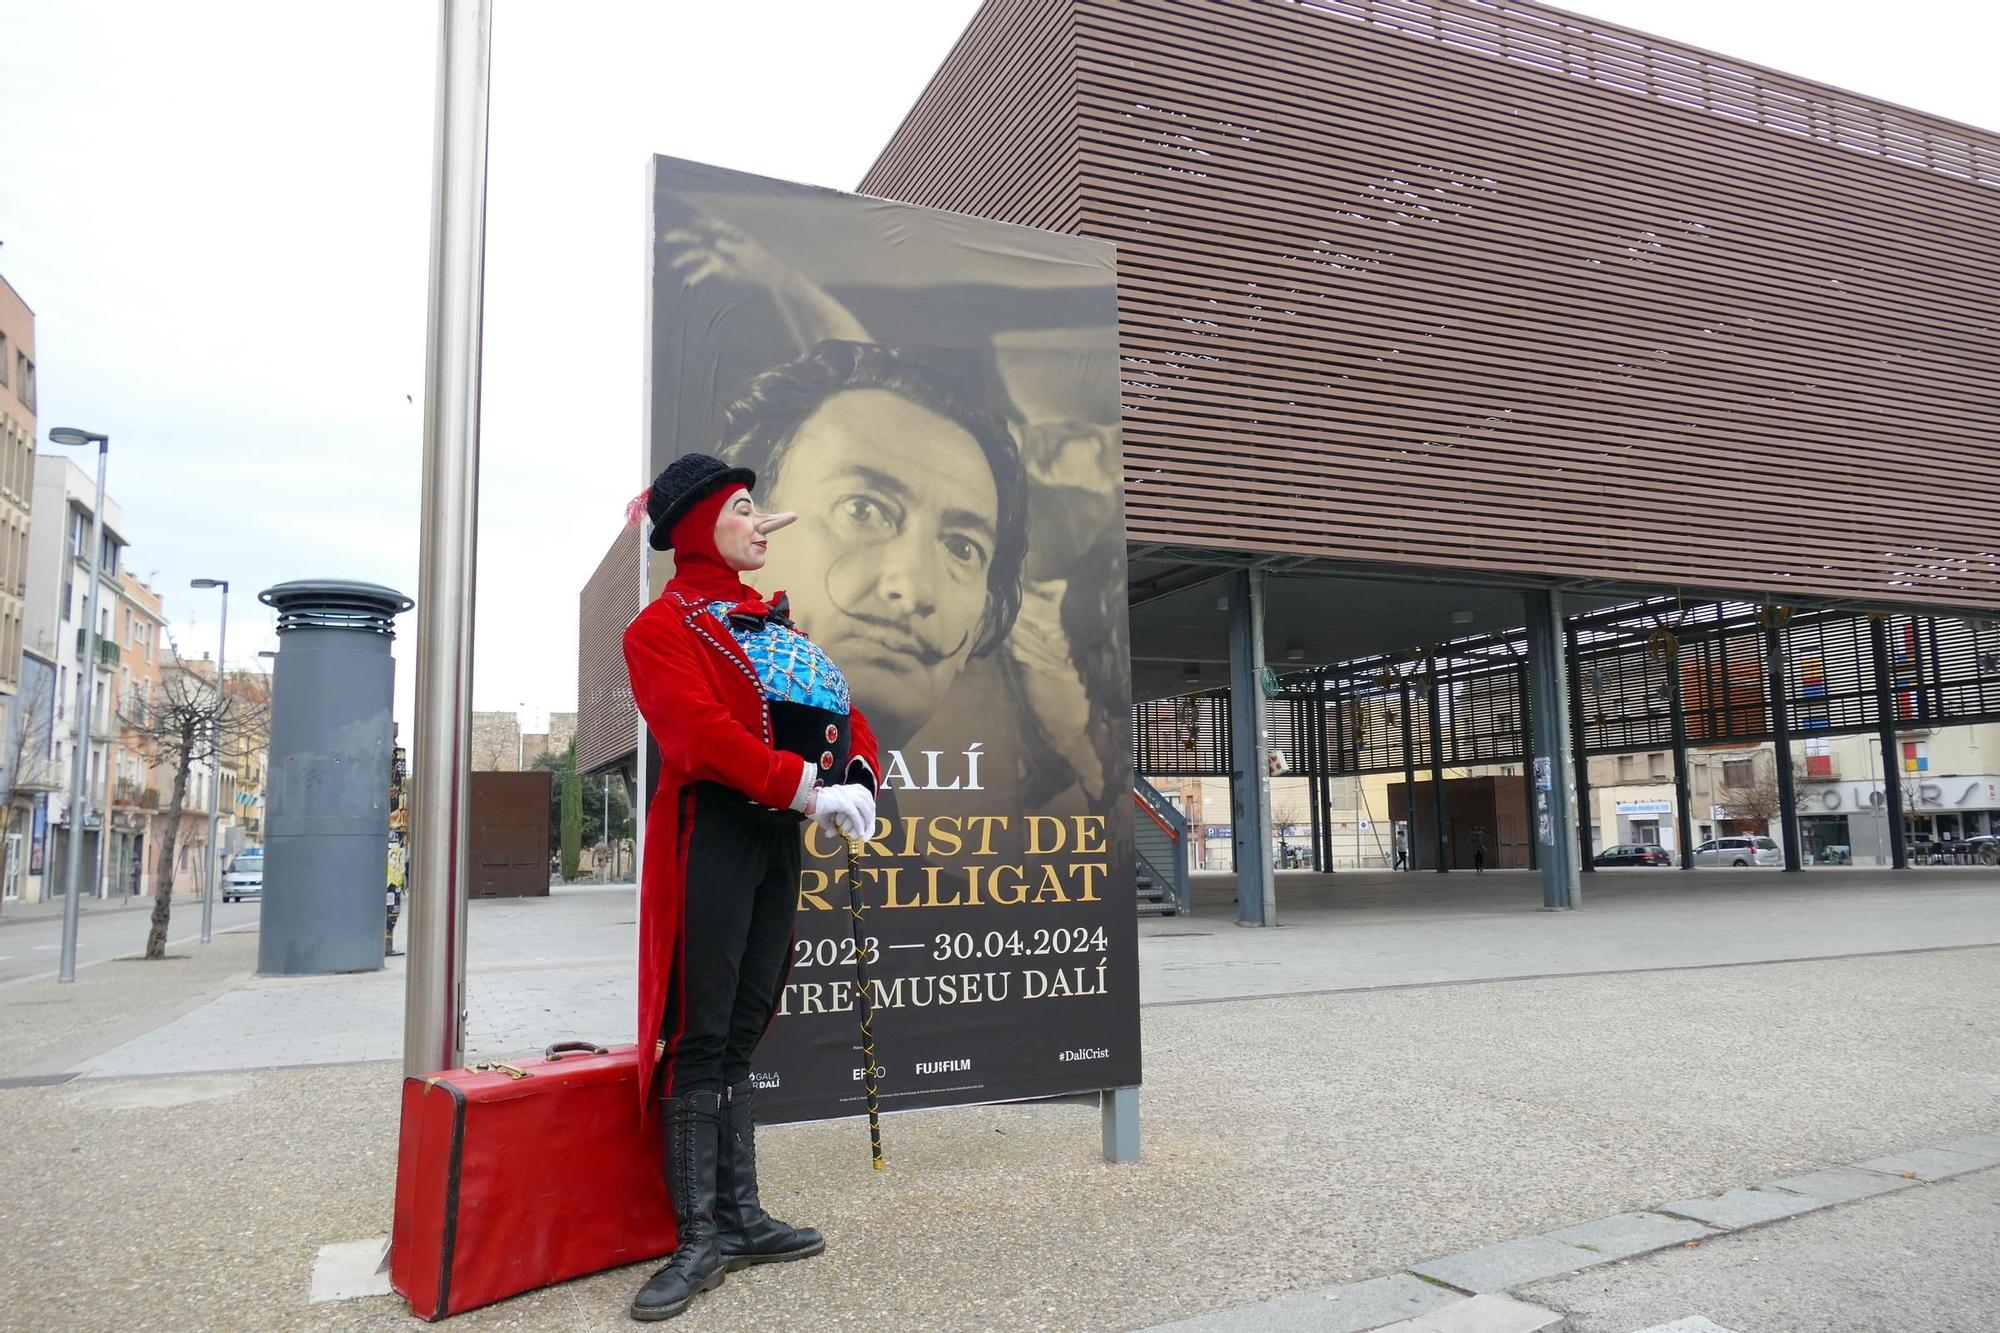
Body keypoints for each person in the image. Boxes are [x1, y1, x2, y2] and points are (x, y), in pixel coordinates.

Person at [621, 453, 880, 1323]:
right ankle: (698, 1235)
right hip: (714, 834)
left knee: (743, 1024)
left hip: (774, 837)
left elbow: (847, 717)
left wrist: (860, 781)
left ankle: (741, 1214)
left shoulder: (776, 627)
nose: (761, 519)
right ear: (698, 526)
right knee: (699, 1030)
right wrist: (809, 787)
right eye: (742, 507)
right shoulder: (662, 627)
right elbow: (696, 737)